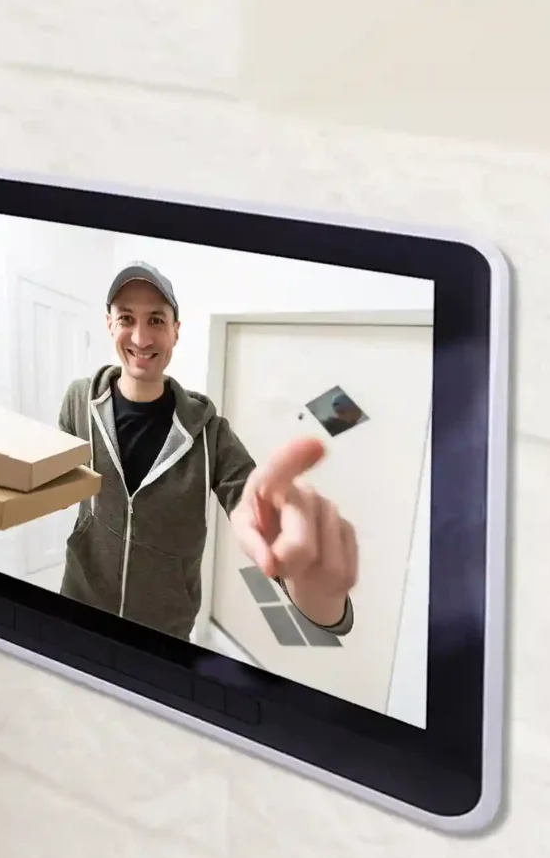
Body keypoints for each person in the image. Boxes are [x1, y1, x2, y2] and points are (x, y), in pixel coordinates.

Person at [55, 261, 360, 643]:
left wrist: (310, 582)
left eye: (156, 321)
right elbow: (57, 479)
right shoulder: (79, 400)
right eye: (127, 318)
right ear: (110, 325)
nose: (141, 337)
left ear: (175, 331)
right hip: (78, 607)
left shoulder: (210, 433)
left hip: (163, 631)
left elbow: (255, 508)